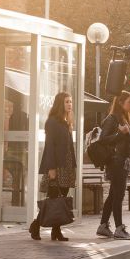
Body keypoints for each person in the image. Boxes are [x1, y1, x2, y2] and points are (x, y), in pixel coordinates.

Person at [29, 92, 77, 241]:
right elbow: (49, 146)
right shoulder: (52, 122)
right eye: (66, 102)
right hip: (57, 166)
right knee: (53, 198)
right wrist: (51, 168)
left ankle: (56, 231)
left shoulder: (66, 121)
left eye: (70, 101)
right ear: (59, 104)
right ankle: (35, 226)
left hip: (67, 166)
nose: (69, 104)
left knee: (60, 200)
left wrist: (73, 167)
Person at [97, 90, 130, 240]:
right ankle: (119, 229)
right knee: (118, 195)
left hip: (123, 161)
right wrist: (120, 133)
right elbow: (103, 139)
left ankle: (103, 226)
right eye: (129, 102)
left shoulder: (126, 118)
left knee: (113, 195)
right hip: (115, 162)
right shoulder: (112, 118)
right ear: (121, 103)